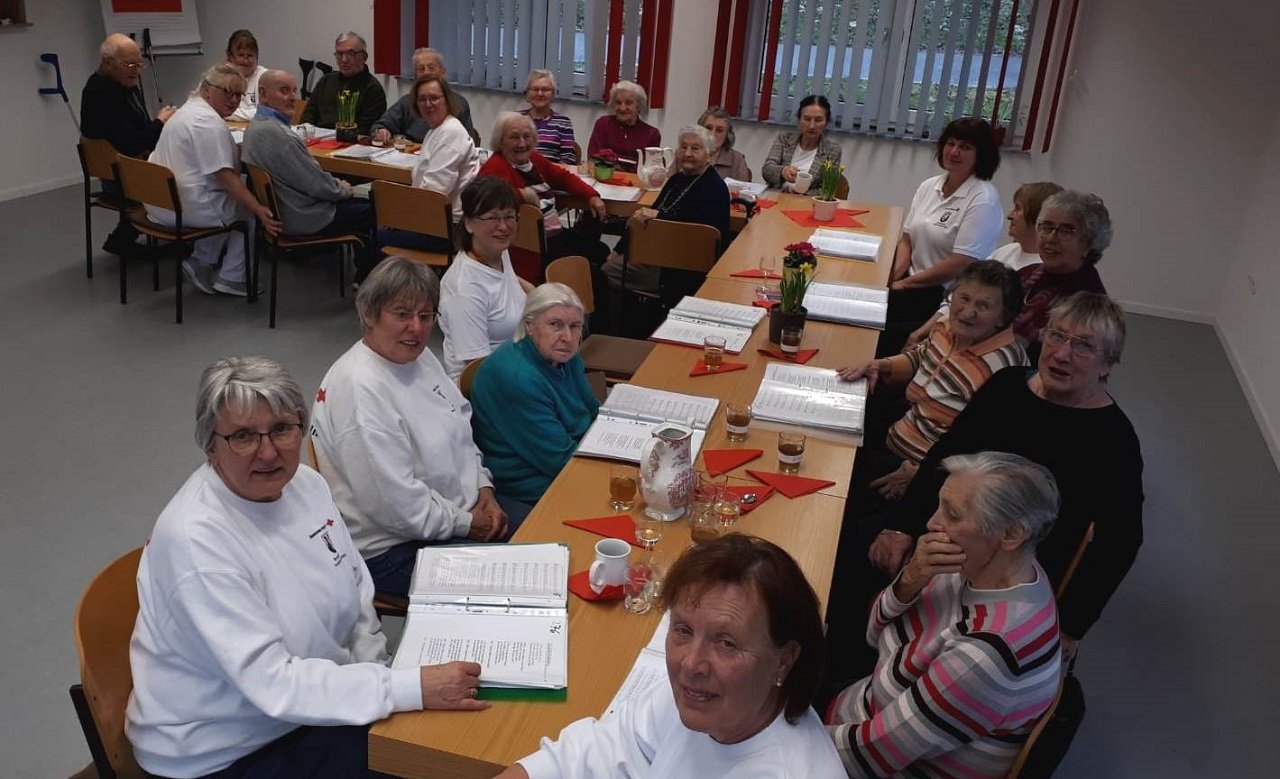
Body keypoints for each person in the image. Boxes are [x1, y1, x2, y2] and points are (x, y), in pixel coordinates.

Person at [125, 356, 490, 778]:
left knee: (463, 739)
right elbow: (274, 685)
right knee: (440, 765)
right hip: (229, 750)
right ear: (210, 444)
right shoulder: (197, 541)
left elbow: (356, 590)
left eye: (282, 428)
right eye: (243, 436)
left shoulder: (307, 485)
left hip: (309, 711)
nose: (268, 452)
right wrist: (408, 689)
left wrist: (380, 675)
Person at [870, 292, 1143, 666]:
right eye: (1057, 336)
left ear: (1107, 364)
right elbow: (945, 456)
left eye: (1083, 346)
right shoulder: (1007, 386)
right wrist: (901, 526)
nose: (1062, 354)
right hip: (946, 536)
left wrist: (1071, 625)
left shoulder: (1114, 441)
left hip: (1013, 578)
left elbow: (1120, 542)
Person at [496, 534, 844, 777]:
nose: (691, 664)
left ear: (784, 660)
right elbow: (591, 754)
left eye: (726, 643)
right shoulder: (707, 701)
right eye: (683, 630)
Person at [827, 453, 1063, 777]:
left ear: (1011, 535)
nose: (931, 523)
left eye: (952, 514)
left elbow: (872, 755)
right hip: (861, 704)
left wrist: (770, 735)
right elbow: (873, 634)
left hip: (877, 759)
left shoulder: (986, 655)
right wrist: (911, 579)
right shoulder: (978, 564)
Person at [311, 258, 522, 597]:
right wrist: (468, 522)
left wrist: (484, 488)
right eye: (402, 314)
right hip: (396, 548)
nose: (417, 328)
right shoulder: (360, 389)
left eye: (426, 316)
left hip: (455, 512)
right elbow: (395, 507)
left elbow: (461, 427)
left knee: (554, 531)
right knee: (528, 582)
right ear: (369, 315)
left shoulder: (418, 358)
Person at [838, 260, 1027, 505]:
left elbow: (986, 452)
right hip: (896, 436)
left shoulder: (1004, 372)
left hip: (920, 475)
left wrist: (922, 475)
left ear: (1004, 317)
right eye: (964, 298)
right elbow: (922, 357)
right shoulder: (947, 327)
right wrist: (880, 365)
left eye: (983, 306)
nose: (968, 312)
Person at [145, 63, 279, 297]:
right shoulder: (208, 123)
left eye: (238, 95)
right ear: (207, 90)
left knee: (225, 200)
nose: (234, 100)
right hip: (180, 208)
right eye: (227, 92)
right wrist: (258, 209)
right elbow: (226, 177)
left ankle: (201, 261)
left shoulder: (186, 111)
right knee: (247, 211)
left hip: (158, 202)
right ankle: (232, 278)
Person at [880, 117, 1004, 357]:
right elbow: (907, 240)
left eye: (965, 147)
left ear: (981, 155)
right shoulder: (930, 186)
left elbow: (961, 263)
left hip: (941, 295)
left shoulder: (983, 199)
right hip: (911, 282)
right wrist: (892, 277)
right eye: (951, 143)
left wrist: (904, 285)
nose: (954, 152)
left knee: (871, 324)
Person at [470, 283, 600, 508]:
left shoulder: (564, 356)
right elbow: (558, 460)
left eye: (575, 326)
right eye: (555, 325)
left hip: (568, 454)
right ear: (529, 326)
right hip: (531, 481)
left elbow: (593, 410)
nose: (568, 337)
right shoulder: (517, 377)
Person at [241, 71, 376, 280]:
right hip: (304, 217)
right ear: (264, 94)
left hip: (285, 212)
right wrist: (342, 189)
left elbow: (309, 178)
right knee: (374, 209)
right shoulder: (280, 135)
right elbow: (316, 185)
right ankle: (368, 280)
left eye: (294, 91)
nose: (292, 97)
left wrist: (335, 186)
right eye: (284, 91)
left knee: (360, 203)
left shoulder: (255, 127)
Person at [906, 181, 1065, 348]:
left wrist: (930, 340)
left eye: (1018, 209)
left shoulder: (1037, 273)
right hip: (946, 329)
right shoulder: (1007, 251)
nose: (1010, 215)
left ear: (1037, 220)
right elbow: (955, 299)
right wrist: (922, 332)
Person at [601, 125, 730, 298]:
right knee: (605, 259)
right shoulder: (676, 179)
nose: (687, 153)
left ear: (710, 155)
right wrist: (618, 250)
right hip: (656, 254)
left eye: (695, 149)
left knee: (605, 273)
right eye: (683, 147)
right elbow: (642, 221)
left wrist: (660, 216)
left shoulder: (714, 188)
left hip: (680, 267)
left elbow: (695, 232)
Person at [480, 111, 610, 277]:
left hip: (553, 234)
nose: (522, 143)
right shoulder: (496, 166)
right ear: (500, 141)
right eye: (514, 137)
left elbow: (562, 177)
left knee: (600, 251)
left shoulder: (534, 159)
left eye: (527, 136)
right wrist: (523, 195)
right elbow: (488, 196)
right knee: (593, 274)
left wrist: (592, 195)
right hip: (528, 247)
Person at [80, 32, 176, 255]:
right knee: (184, 180)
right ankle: (184, 235)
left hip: (119, 168)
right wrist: (161, 121)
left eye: (139, 65)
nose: (137, 71)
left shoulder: (121, 84)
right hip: (121, 175)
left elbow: (138, 131)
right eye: (130, 65)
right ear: (107, 63)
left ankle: (123, 237)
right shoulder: (102, 94)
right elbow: (133, 145)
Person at [437, 176, 532, 381]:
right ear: (469, 223)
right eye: (492, 218)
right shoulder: (465, 289)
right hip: (486, 386)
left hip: (520, 363)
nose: (503, 227)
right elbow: (478, 370)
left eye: (509, 216)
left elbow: (509, 281)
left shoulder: (497, 252)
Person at [1011, 190, 1112, 359]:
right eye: (1047, 227)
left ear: (1089, 243)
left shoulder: (1087, 302)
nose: (1051, 238)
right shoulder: (1025, 275)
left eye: (1066, 231)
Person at [410, 73, 480, 222]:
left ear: (447, 100)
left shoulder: (451, 132)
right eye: (422, 99)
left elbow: (434, 192)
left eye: (434, 98)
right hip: (432, 215)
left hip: (450, 223)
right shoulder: (435, 130)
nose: (428, 104)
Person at [371, 48, 477, 144]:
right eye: (421, 69)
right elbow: (381, 125)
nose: (426, 73)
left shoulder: (458, 103)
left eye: (431, 68)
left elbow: (468, 142)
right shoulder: (407, 101)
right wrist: (381, 131)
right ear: (415, 76)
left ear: (443, 72)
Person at [299, 32, 386, 135]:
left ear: (364, 57)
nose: (344, 60)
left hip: (350, 142)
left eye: (351, 54)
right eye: (339, 54)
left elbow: (364, 131)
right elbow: (308, 117)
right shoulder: (326, 81)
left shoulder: (373, 89)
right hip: (316, 140)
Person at [760, 95, 842, 190]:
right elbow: (767, 170)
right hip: (776, 196)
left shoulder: (832, 150)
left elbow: (827, 188)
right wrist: (782, 171)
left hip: (808, 199)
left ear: (826, 122)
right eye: (807, 119)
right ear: (799, 119)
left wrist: (802, 195)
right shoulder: (784, 139)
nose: (812, 126)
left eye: (818, 120)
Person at [587, 80, 661, 172]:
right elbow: (594, 158)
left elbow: (648, 169)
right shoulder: (603, 125)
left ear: (638, 106)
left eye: (628, 103)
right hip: (605, 177)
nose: (622, 108)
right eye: (618, 103)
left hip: (635, 180)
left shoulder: (652, 135)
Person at [520, 69, 578, 163]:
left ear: (553, 95)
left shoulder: (563, 122)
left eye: (545, 90)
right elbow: (505, 153)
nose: (540, 94)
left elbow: (569, 159)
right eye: (535, 89)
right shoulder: (516, 119)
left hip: (550, 171)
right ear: (527, 94)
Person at [224, 29, 268, 122]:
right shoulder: (219, 75)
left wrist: (226, 113)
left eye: (250, 55)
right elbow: (207, 107)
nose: (245, 60)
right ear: (229, 56)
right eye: (241, 55)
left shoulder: (266, 77)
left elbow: (265, 113)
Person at [699, 106, 751, 182]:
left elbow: (742, 188)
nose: (712, 134)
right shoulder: (687, 153)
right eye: (708, 128)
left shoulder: (737, 160)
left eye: (719, 130)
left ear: (727, 135)